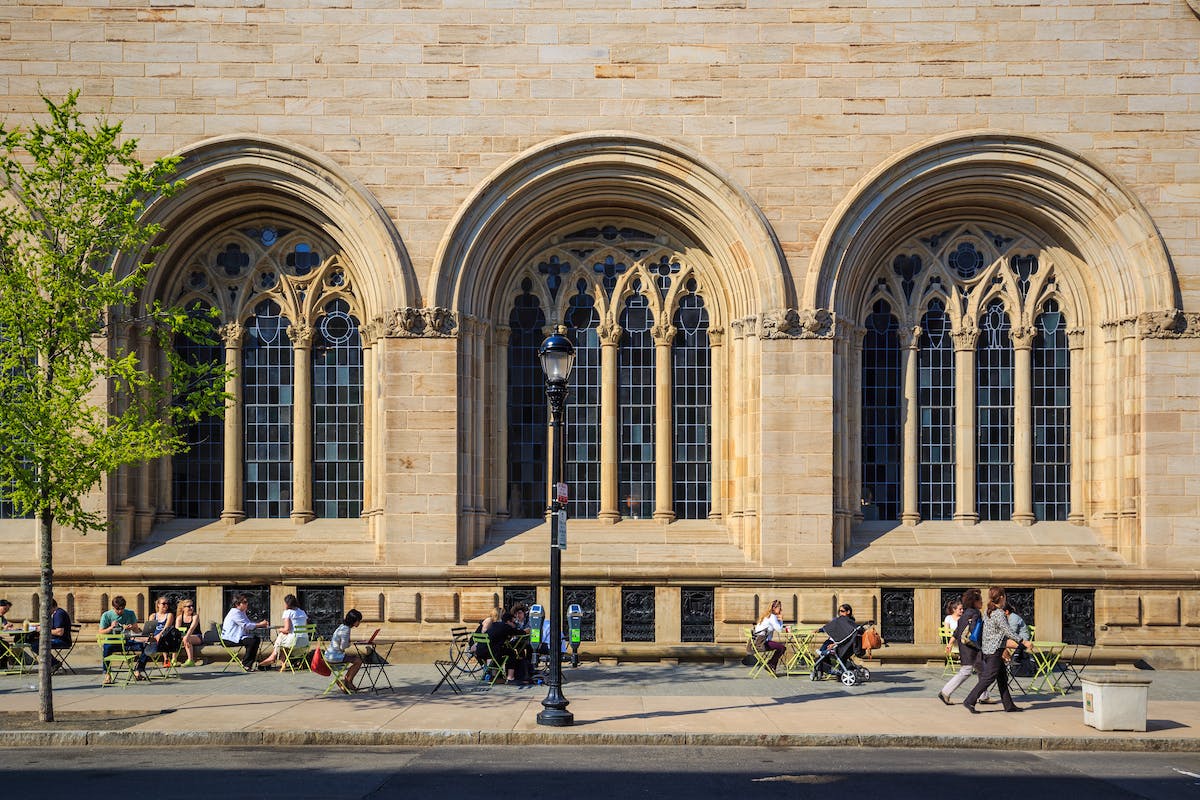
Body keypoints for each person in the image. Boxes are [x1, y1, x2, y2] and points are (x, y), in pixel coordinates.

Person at [962, 587, 1033, 714]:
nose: (1005, 598)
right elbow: (1008, 631)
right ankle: (970, 700)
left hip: (991, 649)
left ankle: (1009, 705)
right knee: (988, 677)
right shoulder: (999, 613)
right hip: (994, 651)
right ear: (1001, 597)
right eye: (1004, 596)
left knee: (1002, 678)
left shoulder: (988, 611)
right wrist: (1023, 641)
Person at [939, 589, 990, 705]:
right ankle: (945, 692)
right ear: (974, 602)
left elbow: (958, 630)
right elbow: (974, 630)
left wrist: (951, 642)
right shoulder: (975, 613)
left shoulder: (966, 613)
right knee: (967, 671)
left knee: (982, 670)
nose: (982, 603)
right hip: (972, 647)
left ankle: (984, 696)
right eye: (980, 600)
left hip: (965, 646)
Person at [220, 593, 270, 670]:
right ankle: (246, 663)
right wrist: (260, 624)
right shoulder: (235, 613)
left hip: (237, 636)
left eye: (246, 602)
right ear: (237, 604)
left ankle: (248, 663)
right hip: (229, 639)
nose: (247, 604)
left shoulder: (241, 612)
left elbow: (248, 623)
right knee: (252, 641)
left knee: (256, 639)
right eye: (244, 602)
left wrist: (259, 624)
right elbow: (246, 625)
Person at [258, 594, 309, 669]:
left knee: (282, 635)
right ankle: (282, 664)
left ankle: (273, 656)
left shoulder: (288, 612)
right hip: (304, 642)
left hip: (294, 641)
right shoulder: (302, 612)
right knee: (283, 642)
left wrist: (280, 629)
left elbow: (287, 629)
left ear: (287, 603)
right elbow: (304, 627)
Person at [98, 596, 140, 685]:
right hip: (112, 641)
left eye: (122, 609)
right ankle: (107, 674)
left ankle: (138, 670)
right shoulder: (106, 615)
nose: (120, 611)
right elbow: (101, 632)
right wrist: (111, 627)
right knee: (106, 648)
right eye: (117, 609)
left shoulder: (130, 613)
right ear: (113, 607)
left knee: (145, 646)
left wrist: (132, 627)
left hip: (126, 641)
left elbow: (137, 630)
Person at [133, 595, 175, 680]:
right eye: (163, 603)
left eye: (167, 604)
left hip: (163, 639)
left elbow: (165, 629)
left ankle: (138, 669)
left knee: (148, 645)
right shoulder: (153, 616)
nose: (166, 605)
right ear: (158, 605)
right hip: (152, 639)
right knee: (142, 643)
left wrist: (157, 636)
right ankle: (139, 669)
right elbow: (149, 629)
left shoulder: (169, 615)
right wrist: (149, 637)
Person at [485, 607, 530, 684]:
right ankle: (510, 678)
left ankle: (494, 677)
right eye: (513, 622)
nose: (514, 624)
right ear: (508, 622)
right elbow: (520, 632)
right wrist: (527, 631)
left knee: (502, 652)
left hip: (484, 651)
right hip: (492, 652)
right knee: (511, 652)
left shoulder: (494, 624)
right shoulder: (506, 627)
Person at [324, 609, 364, 692]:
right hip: (335, 656)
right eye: (358, 621)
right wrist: (350, 644)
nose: (359, 623)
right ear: (353, 621)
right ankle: (348, 681)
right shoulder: (346, 630)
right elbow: (343, 647)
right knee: (358, 661)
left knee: (356, 658)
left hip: (330, 654)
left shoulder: (342, 626)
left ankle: (346, 681)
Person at [752, 599, 788, 675]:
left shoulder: (766, 615)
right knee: (782, 647)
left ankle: (771, 665)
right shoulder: (772, 617)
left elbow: (776, 627)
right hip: (762, 643)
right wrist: (781, 620)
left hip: (756, 642)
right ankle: (771, 665)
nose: (781, 610)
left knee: (780, 646)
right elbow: (779, 629)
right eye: (780, 608)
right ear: (774, 608)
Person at [176, 599, 203, 666]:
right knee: (176, 640)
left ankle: (190, 660)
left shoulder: (195, 616)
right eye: (189, 606)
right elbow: (176, 631)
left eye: (192, 606)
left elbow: (192, 628)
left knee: (187, 639)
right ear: (183, 608)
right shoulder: (179, 617)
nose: (191, 608)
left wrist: (186, 637)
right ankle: (174, 659)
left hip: (197, 636)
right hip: (184, 637)